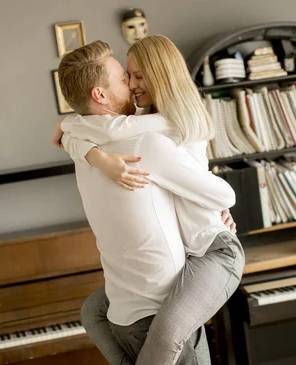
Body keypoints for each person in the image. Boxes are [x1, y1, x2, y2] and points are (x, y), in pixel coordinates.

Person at [55, 36, 245, 365]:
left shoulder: (163, 128)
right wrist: (93, 153)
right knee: (94, 310)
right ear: (101, 94)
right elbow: (91, 130)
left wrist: (75, 133)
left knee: (168, 333)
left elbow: (96, 128)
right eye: (126, 77)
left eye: (138, 76)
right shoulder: (130, 134)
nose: (130, 85)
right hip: (188, 255)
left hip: (210, 246)